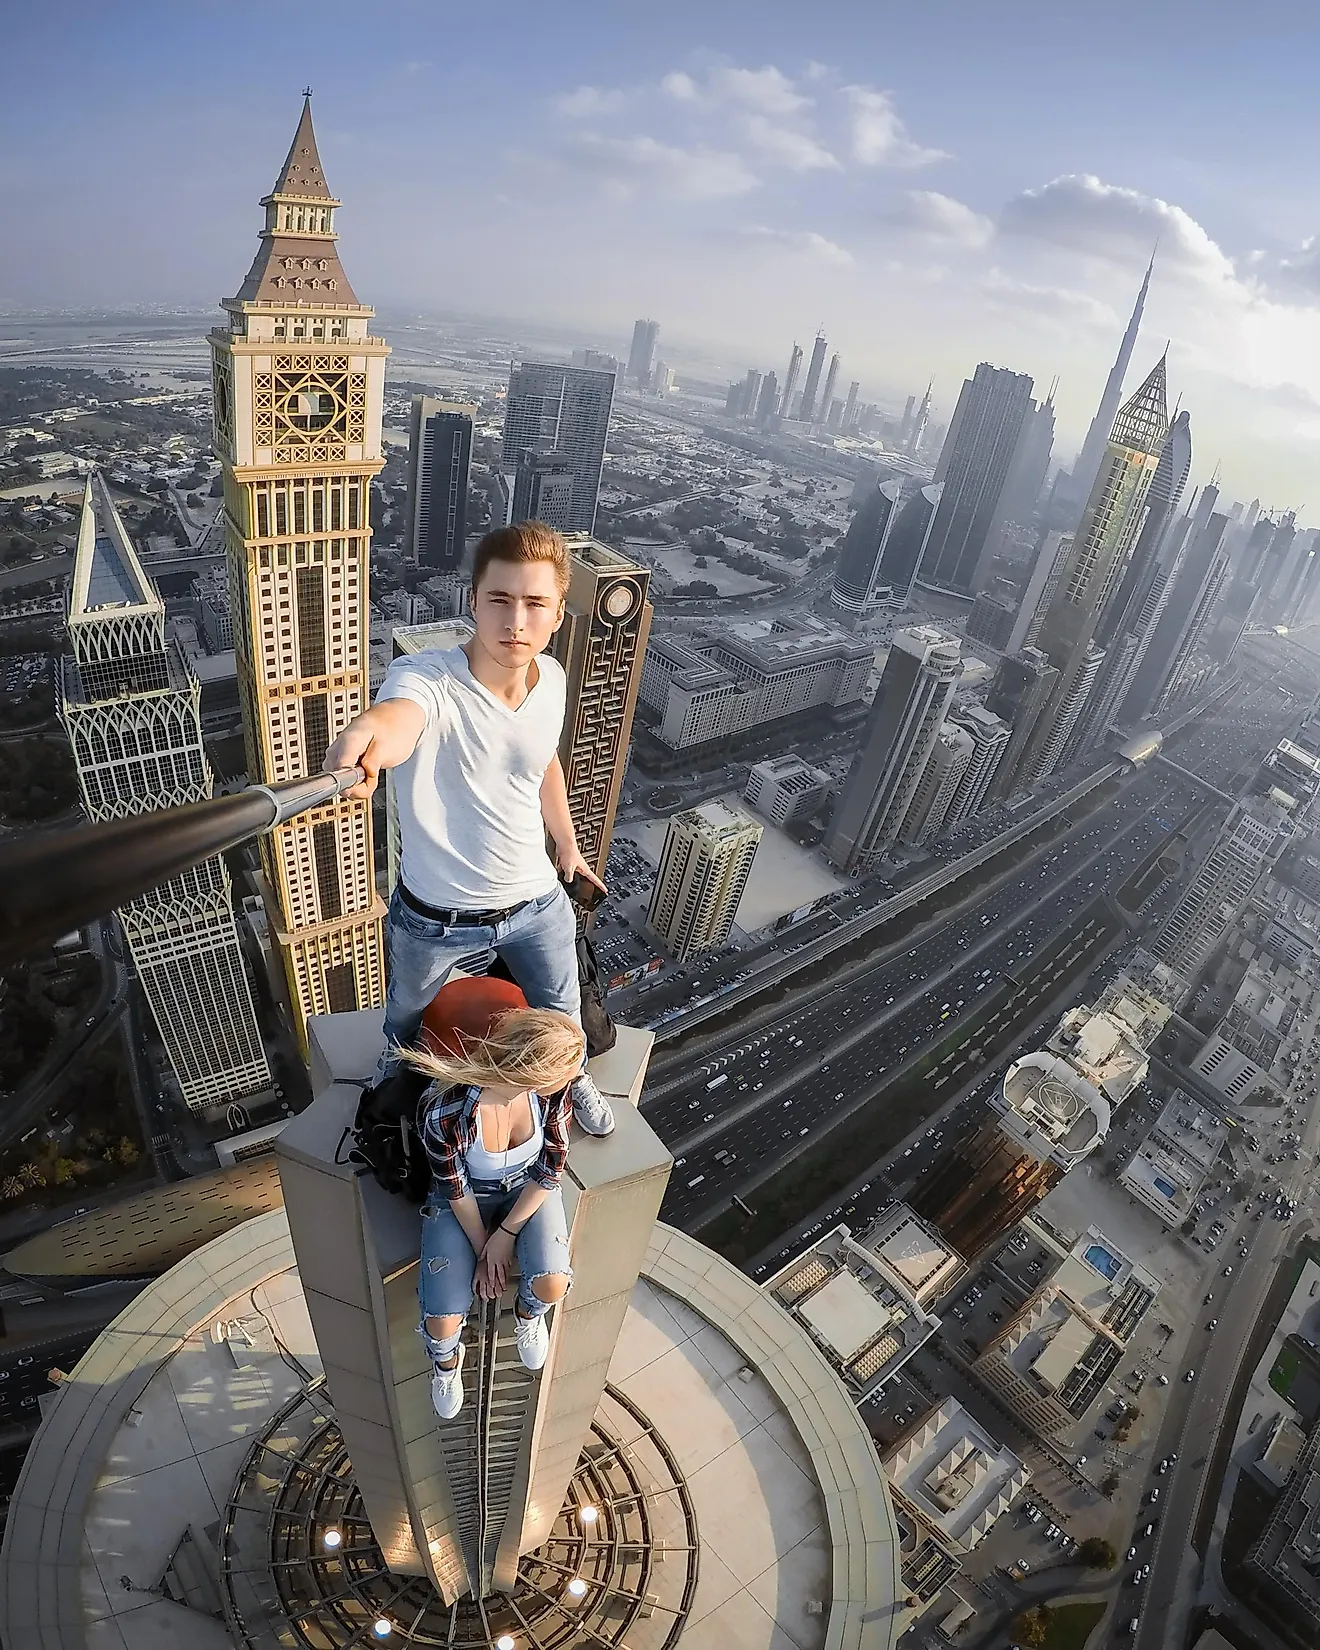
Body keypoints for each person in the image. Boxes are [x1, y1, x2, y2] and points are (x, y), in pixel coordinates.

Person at [322, 521, 614, 1136]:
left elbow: (544, 763)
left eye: (535, 604)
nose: (516, 621)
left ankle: (570, 1075)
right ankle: (396, 1068)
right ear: (474, 602)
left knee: (562, 1017)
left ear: (558, 615)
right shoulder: (429, 680)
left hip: (536, 902)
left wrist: (566, 844)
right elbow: (398, 718)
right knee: (404, 1015)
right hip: (437, 915)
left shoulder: (553, 681)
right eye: (500, 600)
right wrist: (366, 735)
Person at [408, 1000, 585, 1419]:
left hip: (528, 1189)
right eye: (562, 1074)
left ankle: (527, 1315)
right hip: (466, 1197)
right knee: (442, 1321)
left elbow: (550, 1168)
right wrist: (484, 1247)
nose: (571, 1082)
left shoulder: (552, 1095)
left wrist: (504, 1237)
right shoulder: (446, 1110)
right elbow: (454, 1188)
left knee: (552, 1284)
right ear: (533, 1072)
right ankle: (447, 1364)